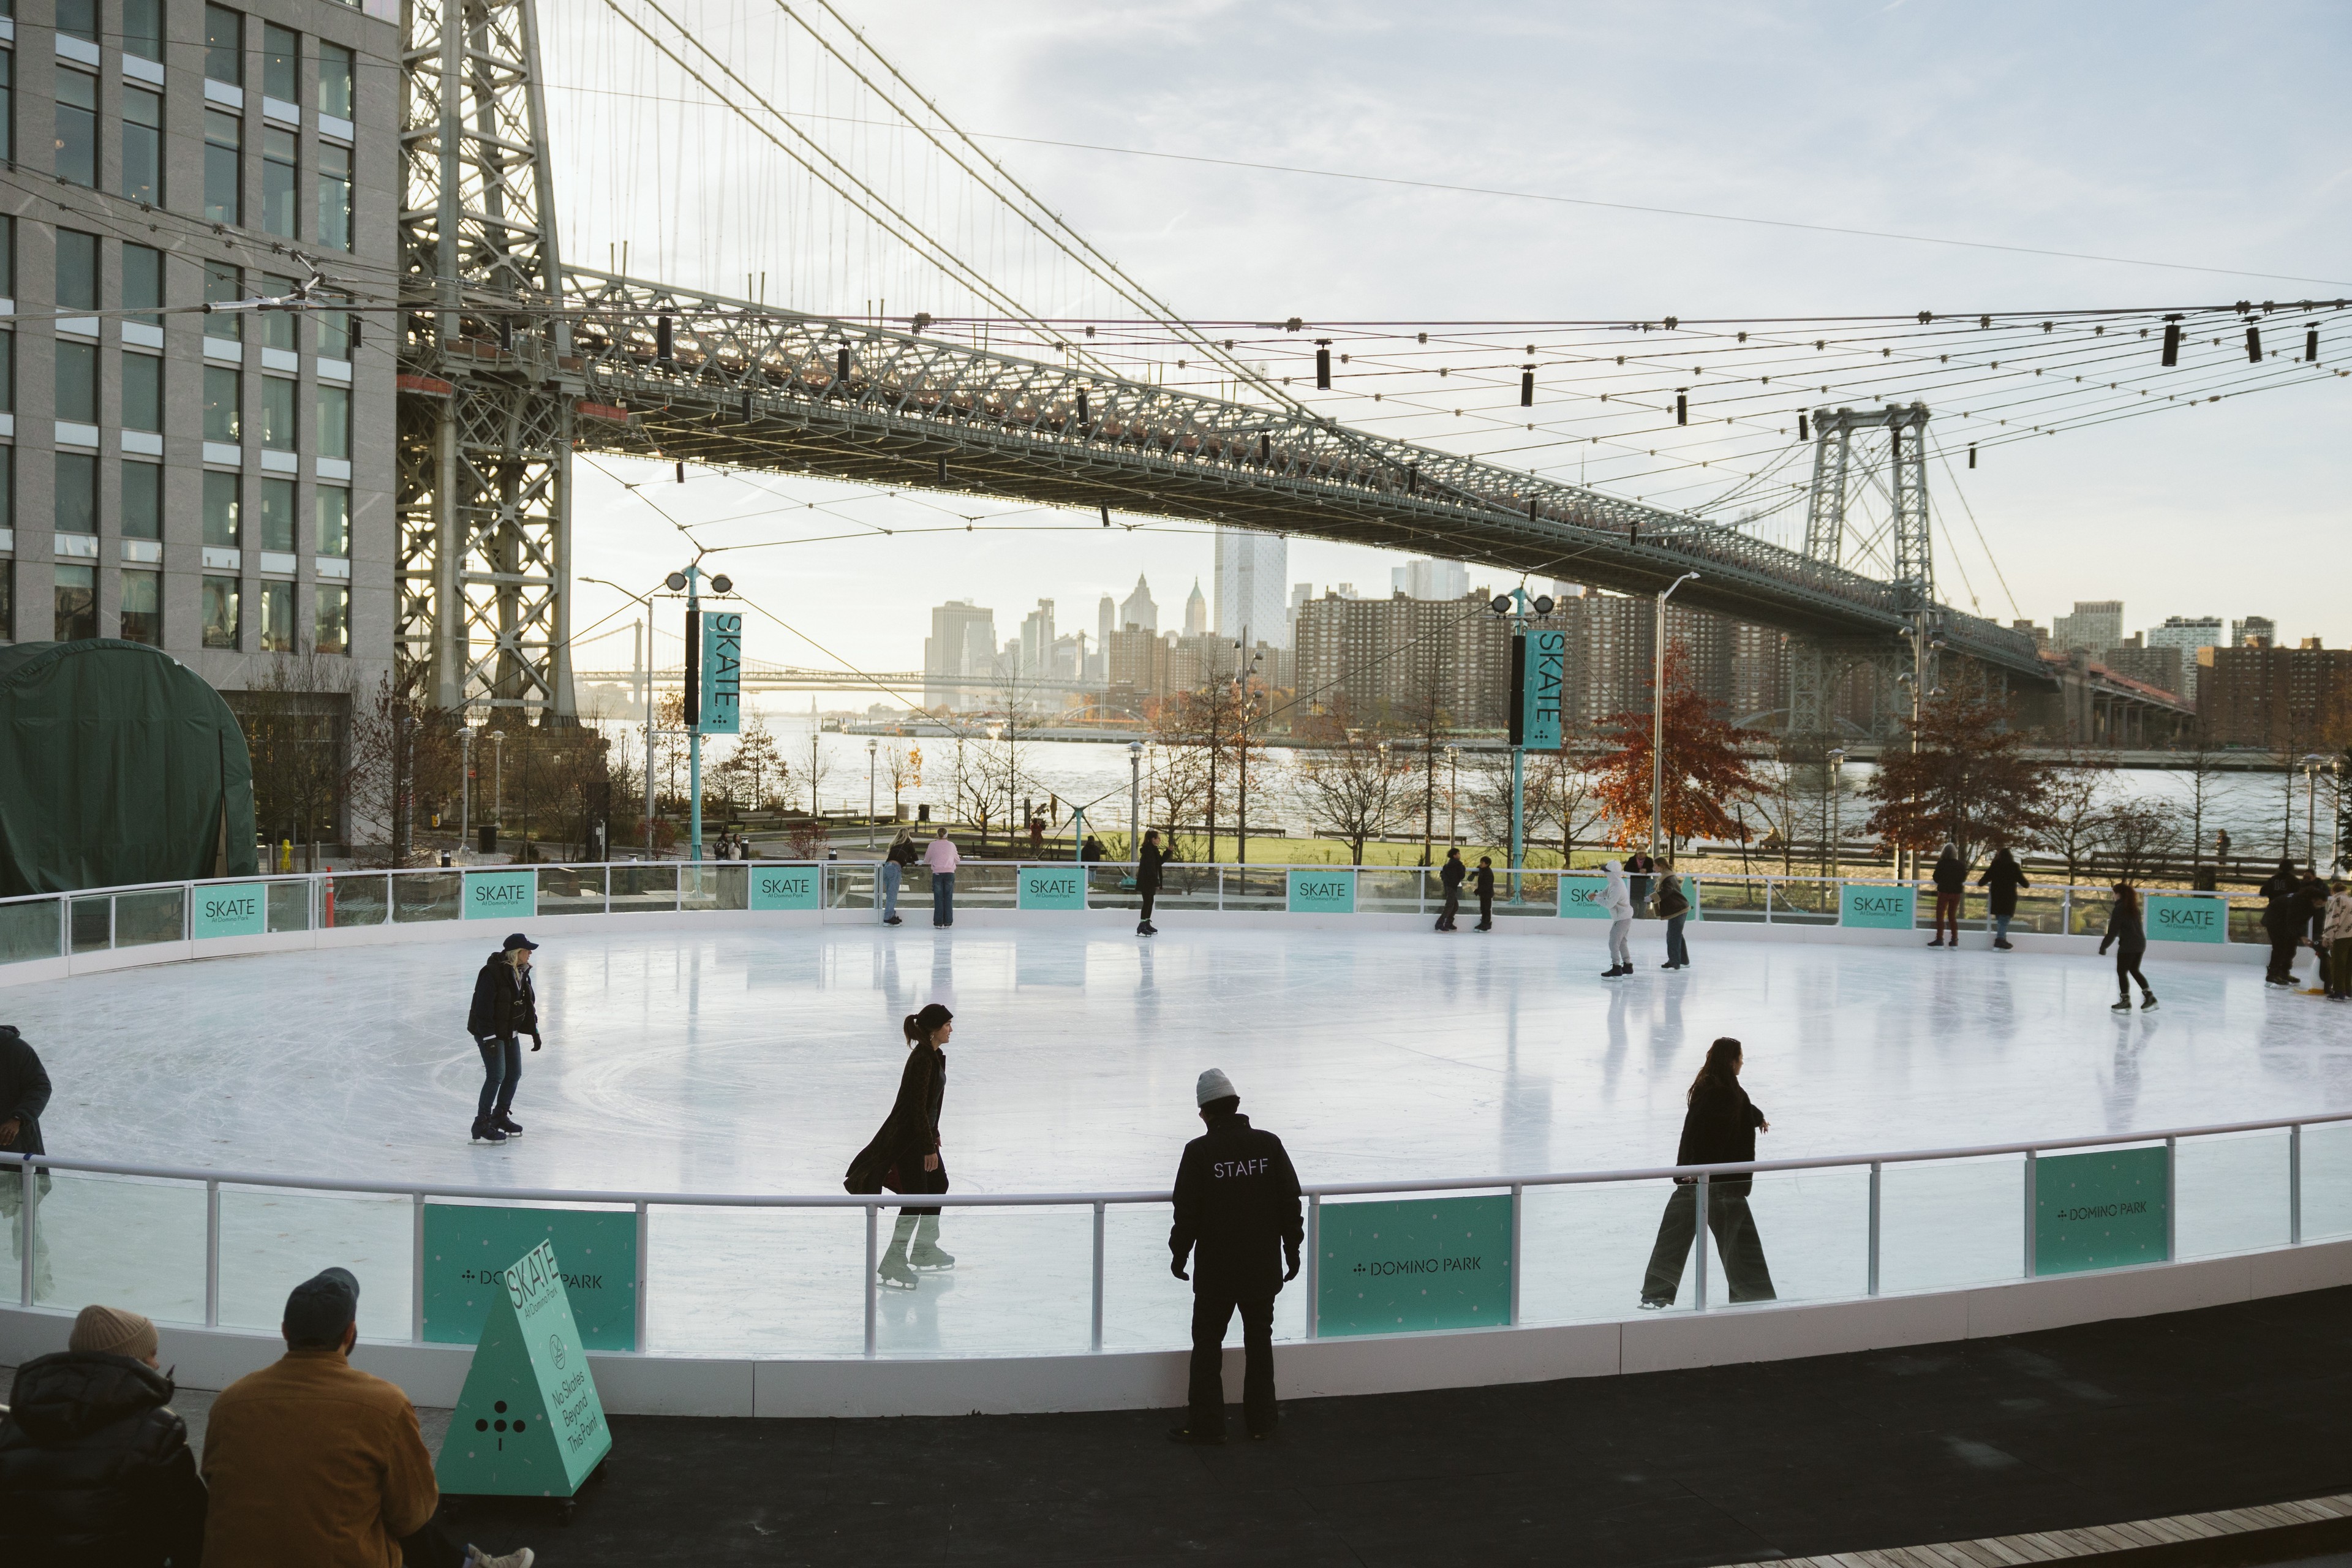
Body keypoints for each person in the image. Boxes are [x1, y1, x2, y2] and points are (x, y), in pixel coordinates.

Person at [202, 1268, 531, 1568]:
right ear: (350, 1332)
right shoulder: (383, 1405)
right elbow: (414, 1515)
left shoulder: (230, 1401)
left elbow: (214, 1483)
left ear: (285, 1330)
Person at [0, 1303, 208, 1565]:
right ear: (131, 1360)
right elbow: (190, 1524)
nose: (157, 1364)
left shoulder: (16, 1421)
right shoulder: (157, 1428)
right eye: (150, 1354)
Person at [1167, 1069, 1303, 1446]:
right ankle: (1262, 1423)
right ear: (1237, 1105)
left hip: (1217, 1273)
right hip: (1262, 1268)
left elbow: (1187, 1212)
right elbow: (1289, 1201)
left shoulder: (1199, 1152)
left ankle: (1209, 1425)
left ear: (1205, 1112)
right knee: (1259, 1341)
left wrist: (1179, 1255)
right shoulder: (1269, 1145)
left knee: (1208, 1344)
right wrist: (1292, 1249)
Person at [1639, 1038, 1776, 1308]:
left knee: (1679, 1235)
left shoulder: (1718, 1088)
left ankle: (1656, 1293)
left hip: (1707, 1180)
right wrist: (1698, 1171)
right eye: (1740, 1057)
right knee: (1738, 1242)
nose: (1743, 1062)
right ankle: (1753, 1297)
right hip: (1714, 1183)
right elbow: (1706, 1137)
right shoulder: (1720, 1094)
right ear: (1730, 1060)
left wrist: (1757, 1117)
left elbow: (1740, 1108)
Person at [846, 1004, 954, 1289]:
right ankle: (895, 1258)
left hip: (922, 1136)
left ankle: (923, 1248)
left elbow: (930, 1103)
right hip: (910, 1142)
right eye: (947, 1025)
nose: (951, 1030)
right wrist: (927, 1146)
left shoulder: (934, 1056)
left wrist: (935, 1131)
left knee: (938, 1185)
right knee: (918, 1197)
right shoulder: (922, 1059)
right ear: (934, 1029)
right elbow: (915, 1107)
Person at [464, 933, 541, 1144]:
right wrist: (489, 1038)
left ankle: (499, 1116)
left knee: (514, 1074)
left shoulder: (522, 973)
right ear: (517, 953)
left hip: (509, 1031)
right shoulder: (492, 973)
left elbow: (527, 1005)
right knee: (496, 1075)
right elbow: (482, 1008)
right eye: (527, 950)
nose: (530, 953)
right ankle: (481, 1122)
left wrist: (534, 1032)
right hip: (490, 1032)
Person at [0, 1023, 51, 1297]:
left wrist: (18, 1118)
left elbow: (40, 1085)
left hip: (17, 1158)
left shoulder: (15, 1050)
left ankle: (39, 1289)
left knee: (28, 1228)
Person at [2099, 881, 2157, 1012]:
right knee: (2134, 970)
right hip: (2140, 944)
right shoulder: (2133, 907)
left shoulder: (2120, 909)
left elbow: (2113, 931)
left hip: (2128, 945)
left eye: (2114, 893)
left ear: (2119, 894)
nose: (2113, 896)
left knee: (2122, 972)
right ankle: (2150, 997)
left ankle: (2125, 1001)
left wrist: (2103, 946)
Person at [2259, 859, 2302, 986]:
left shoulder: (2273, 879)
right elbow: (2299, 896)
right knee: (2286, 946)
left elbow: (2263, 892)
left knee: (2281, 946)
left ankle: (2280, 972)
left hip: (2276, 916)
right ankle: (2276, 973)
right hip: (2285, 917)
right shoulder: (2294, 881)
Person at [1978, 846, 2030, 951]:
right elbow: (2025, 883)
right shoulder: (2014, 866)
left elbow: (1983, 881)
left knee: (2001, 920)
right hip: (2009, 898)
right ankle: (2000, 941)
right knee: (2004, 921)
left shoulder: (1995, 866)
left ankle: (2002, 940)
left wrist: (1982, 882)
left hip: (1997, 898)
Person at [1599, 859, 1634, 978]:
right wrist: (1596, 895)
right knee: (1622, 942)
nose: (1605, 873)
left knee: (1614, 942)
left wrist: (1595, 899)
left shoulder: (1617, 886)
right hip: (1625, 916)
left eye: (1607, 871)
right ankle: (1628, 966)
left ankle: (1616, 968)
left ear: (1612, 873)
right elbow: (1606, 892)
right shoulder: (1615, 883)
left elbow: (1609, 904)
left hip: (1622, 918)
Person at [1929, 844, 1967, 947]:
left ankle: (1940, 939)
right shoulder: (1960, 865)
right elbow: (1963, 878)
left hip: (1944, 892)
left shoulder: (1942, 864)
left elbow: (1936, 878)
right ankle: (1955, 940)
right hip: (1956, 893)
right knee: (1952, 917)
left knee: (1940, 916)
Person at [1656, 858, 1691, 970]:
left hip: (1678, 910)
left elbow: (1667, 891)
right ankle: (1683, 961)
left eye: (1655, 866)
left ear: (1661, 866)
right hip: (1678, 909)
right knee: (1676, 935)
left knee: (1673, 936)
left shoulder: (1668, 878)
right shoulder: (1668, 876)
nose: (1654, 868)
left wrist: (1653, 898)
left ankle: (1675, 963)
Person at [2322, 880, 2352, 1002]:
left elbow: (2334, 920)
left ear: (2333, 891)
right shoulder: (2350, 900)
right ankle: (2348, 989)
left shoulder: (2338, 900)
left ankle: (2339, 991)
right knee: (2349, 964)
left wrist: (2327, 937)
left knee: (2338, 964)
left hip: (2341, 937)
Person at [924, 827, 960, 927]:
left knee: (938, 898)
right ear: (947, 835)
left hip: (937, 873)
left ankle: (938, 922)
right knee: (948, 898)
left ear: (937, 834)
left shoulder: (932, 845)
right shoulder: (951, 845)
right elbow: (957, 860)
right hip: (949, 873)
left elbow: (926, 860)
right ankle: (948, 921)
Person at [881, 828, 917, 926]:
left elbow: (899, 855)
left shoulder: (895, 843)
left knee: (890, 894)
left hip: (887, 868)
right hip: (895, 869)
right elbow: (915, 857)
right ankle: (888, 919)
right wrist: (914, 862)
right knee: (892, 895)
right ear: (907, 835)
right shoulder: (908, 842)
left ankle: (891, 915)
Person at [1136, 829, 1166, 937]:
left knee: (1150, 901)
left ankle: (1146, 923)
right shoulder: (1149, 850)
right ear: (1153, 839)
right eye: (1158, 838)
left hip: (1149, 880)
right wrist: (1156, 881)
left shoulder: (1153, 849)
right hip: (1146, 880)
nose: (1159, 840)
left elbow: (1160, 862)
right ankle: (1142, 924)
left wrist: (1168, 851)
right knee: (1147, 902)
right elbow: (1150, 868)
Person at [1434, 847, 1465, 932]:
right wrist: (1463, 868)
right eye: (1458, 853)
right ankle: (1440, 923)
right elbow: (1462, 875)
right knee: (1450, 905)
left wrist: (1446, 882)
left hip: (1449, 886)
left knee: (1455, 906)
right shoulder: (1458, 865)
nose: (1460, 855)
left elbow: (1443, 874)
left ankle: (1448, 922)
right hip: (1452, 887)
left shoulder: (1448, 865)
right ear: (1454, 855)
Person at [1472, 855, 1496, 932]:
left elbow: (1487, 885)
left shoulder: (1488, 873)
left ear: (1487, 864)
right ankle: (1483, 923)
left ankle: (1487, 925)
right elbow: (1479, 868)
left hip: (1487, 894)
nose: (1481, 864)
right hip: (1483, 894)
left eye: (1482, 863)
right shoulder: (1483, 870)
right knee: (1483, 909)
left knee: (1486, 909)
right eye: (1481, 862)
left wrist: (1478, 890)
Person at [1627, 851, 1654, 916]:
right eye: (1639, 853)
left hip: (1644, 887)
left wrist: (1646, 870)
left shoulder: (1649, 860)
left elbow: (1653, 870)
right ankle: (1633, 921)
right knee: (1633, 908)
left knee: (1643, 910)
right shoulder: (1632, 860)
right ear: (1636, 853)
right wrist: (1638, 871)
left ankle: (1641, 921)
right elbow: (1627, 869)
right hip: (1634, 886)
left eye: (1643, 853)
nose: (1641, 855)